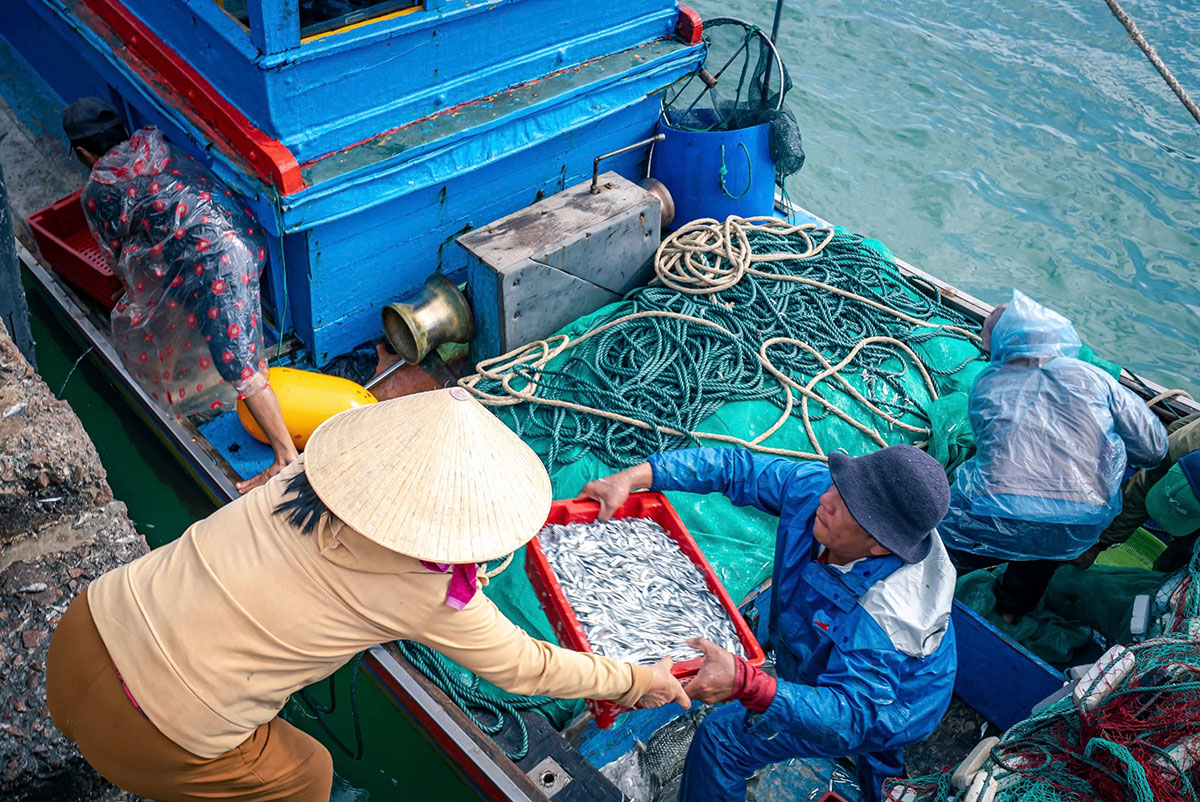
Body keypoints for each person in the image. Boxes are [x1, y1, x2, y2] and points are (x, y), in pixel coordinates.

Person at [45, 387, 688, 802]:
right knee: (307, 773)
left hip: (80, 634)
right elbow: (529, 667)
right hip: (151, 736)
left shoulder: (302, 472)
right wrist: (638, 682)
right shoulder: (427, 593)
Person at [582, 444, 957, 802]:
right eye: (839, 485)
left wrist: (749, 685)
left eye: (846, 506)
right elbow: (735, 468)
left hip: (896, 703)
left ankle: (885, 780)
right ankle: (886, 776)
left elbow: (852, 714)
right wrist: (636, 477)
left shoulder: (885, 618)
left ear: (878, 546)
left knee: (722, 742)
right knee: (871, 746)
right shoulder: (825, 495)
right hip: (837, 672)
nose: (825, 499)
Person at [62, 97, 296, 493]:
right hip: (240, 240)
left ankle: (286, 457)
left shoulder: (99, 192)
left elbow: (120, 258)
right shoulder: (155, 145)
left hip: (215, 268)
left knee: (237, 364)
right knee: (242, 340)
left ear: (84, 153)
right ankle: (269, 416)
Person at [939, 290, 1167, 621]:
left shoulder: (987, 383)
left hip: (997, 513)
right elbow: (1154, 450)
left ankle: (930, 589)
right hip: (1081, 520)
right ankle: (1010, 614)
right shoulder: (1096, 378)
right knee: (1041, 553)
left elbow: (988, 449)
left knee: (943, 546)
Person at [1086, 413, 1200, 572]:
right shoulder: (1183, 444)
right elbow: (1143, 487)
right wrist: (1099, 544)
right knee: (1170, 435)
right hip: (1187, 443)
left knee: (1187, 555)